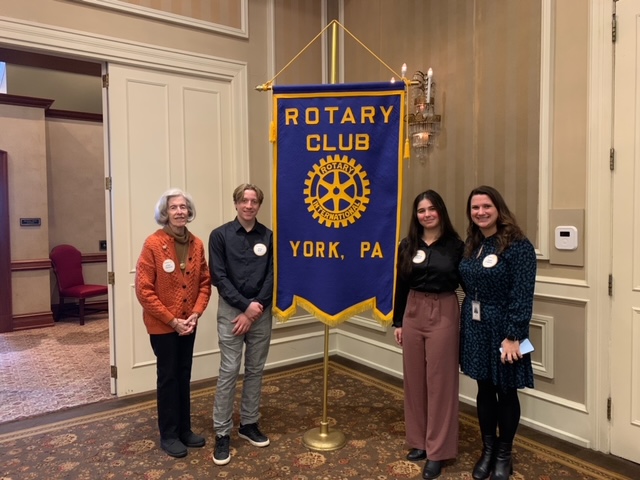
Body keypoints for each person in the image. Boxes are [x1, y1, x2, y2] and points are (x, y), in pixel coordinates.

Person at [458, 185, 537, 480]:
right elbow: (468, 282)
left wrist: (514, 335)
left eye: (486, 206)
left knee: (506, 390)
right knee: (484, 389)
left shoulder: (518, 246)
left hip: (505, 329)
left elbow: (522, 294)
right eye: (475, 208)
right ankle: (488, 449)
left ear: (498, 209)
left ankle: (504, 453)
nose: (480, 212)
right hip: (476, 325)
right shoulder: (473, 244)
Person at [135, 188, 211, 458]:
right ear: (164, 213)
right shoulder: (153, 244)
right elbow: (144, 290)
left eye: (184, 207)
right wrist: (172, 320)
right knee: (168, 378)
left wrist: (196, 313)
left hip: (188, 324)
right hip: (163, 326)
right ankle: (168, 434)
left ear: (189, 212)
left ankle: (185, 430)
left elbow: (204, 282)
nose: (180, 211)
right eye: (174, 208)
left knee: (184, 375)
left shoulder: (197, 244)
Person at [393, 190, 464, 480]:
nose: (427, 215)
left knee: (441, 382)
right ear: (416, 215)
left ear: (441, 211)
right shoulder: (407, 245)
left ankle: (438, 450)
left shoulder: (457, 246)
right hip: (412, 311)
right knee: (415, 380)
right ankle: (419, 441)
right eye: (421, 211)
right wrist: (398, 321)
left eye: (432, 209)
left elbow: (470, 283)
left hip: (444, 311)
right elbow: (400, 284)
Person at [208, 183, 274, 466]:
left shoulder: (269, 236)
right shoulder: (220, 235)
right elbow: (219, 278)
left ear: (259, 205)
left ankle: (249, 424)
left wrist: (254, 308)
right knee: (229, 371)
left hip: (260, 311)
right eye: (244, 201)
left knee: (256, 370)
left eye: (254, 201)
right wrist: (244, 307)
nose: (249, 206)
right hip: (231, 312)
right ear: (235, 203)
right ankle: (222, 432)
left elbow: (273, 274)